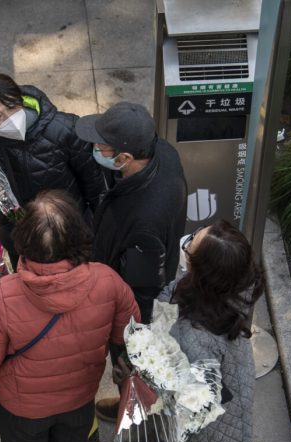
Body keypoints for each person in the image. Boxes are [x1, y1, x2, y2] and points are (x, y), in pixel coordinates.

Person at [0, 190, 140, 442]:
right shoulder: (109, 281)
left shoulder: (4, 295)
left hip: (21, 409)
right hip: (80, 397)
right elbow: (130, 337)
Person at [106, 219, 264, 442]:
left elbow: (182, 401)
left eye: (191, 245)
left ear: (201, 271)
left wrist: (133, 380)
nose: (187, 243)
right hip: (233, 410)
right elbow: (172, 300)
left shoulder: (196, 337)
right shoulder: (234, 285)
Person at [75, 101, 187, 423]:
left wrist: (126, 336)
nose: (95, 149)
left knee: (133, 368)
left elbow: (139, 289)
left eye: (101, 147)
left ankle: (140, 431)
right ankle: (131, 399)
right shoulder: (163, 152)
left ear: (124, 158)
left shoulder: (143, 220)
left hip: (134, 314)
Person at [0, 71, 105, 269]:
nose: (10, 118)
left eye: (12, 107)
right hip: (21, 237)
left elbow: (95, 186)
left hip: (70, 232)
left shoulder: (65, 129)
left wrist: (97, 232)